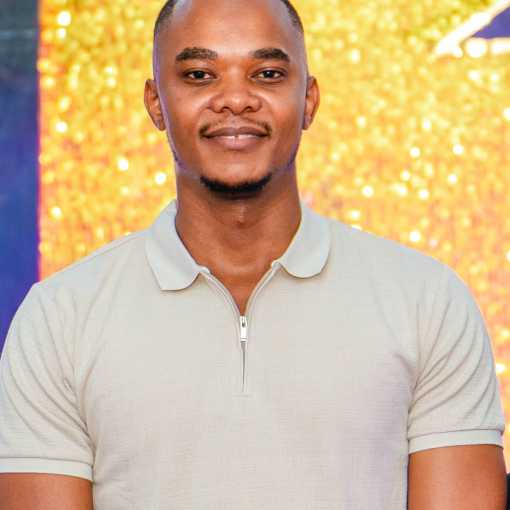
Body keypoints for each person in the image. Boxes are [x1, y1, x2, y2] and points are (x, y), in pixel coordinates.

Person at [0, 0, 507, 508]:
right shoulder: (60, 318)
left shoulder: (427, 302)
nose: (235, 99)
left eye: (266, 74)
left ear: (309, 100)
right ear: (156, 103)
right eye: (200, 75)